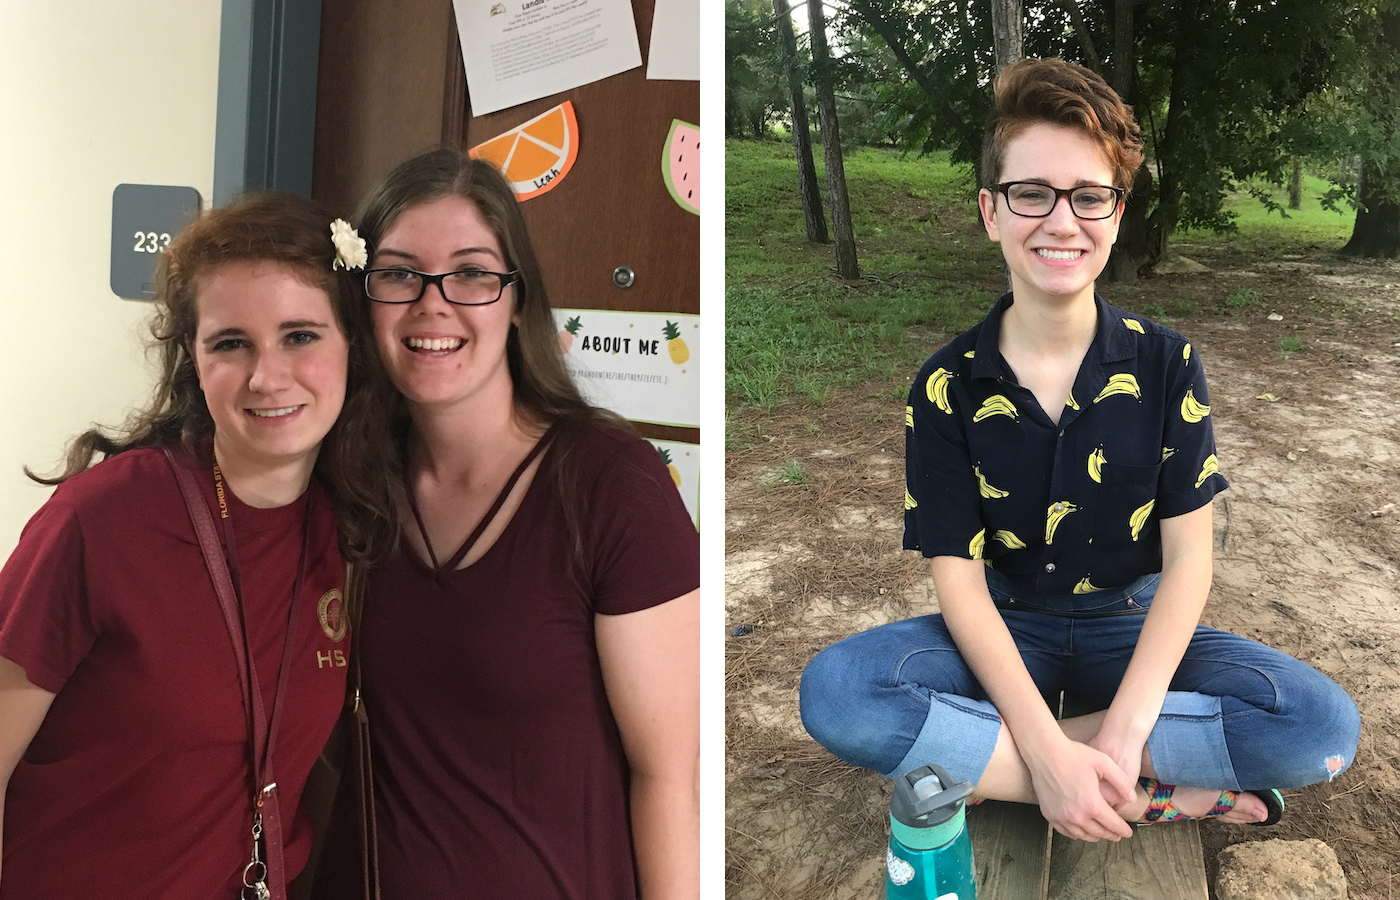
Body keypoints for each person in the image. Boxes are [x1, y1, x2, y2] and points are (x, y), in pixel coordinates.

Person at [799, 58, 1360, 844]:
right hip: (1007, 625)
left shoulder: (1168, 365)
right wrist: (1042, 741)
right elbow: (957, 584)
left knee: (1319, 727)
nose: (1062, 222)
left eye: (1089, 196)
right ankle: (1154, 795)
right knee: (841, 692)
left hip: (1129, 624)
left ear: (1116, 213)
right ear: (992, 211)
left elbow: (1190, 560)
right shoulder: (945, 386)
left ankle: (997, 765)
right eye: (1033, 193)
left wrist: (1119, 731)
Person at [317, 148, 699, 899]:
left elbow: (669, 778)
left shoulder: (611, 483)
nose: (433, 304)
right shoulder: (343, 480)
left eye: (471, 273)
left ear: (517, 300)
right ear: (363, 297)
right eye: (398, 273)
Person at [0, 192, 392, 897]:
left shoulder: (355, 525)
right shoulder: (101, 521)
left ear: (350, 346)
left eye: (300, 335)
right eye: (231, 343)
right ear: (193, 355)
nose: (267, 377)